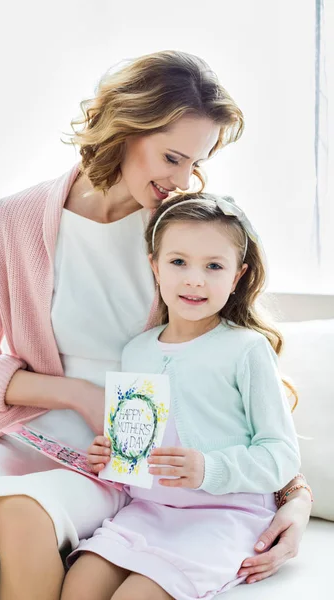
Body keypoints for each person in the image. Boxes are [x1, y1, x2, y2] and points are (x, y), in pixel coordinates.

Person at [0, 51, 311, 600]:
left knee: (26, 518)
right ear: (124, 130)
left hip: (119, 457)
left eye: (195, 163)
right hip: (26, 430)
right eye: (172, 157)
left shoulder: (180, 236)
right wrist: (79, 395)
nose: (182, 179)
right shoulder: (15, 220)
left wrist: (294, 496)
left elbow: (230, 361)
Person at [63, 193, 308, 600]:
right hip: (146, 513)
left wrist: (208, 468)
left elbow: (281, 455)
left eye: (214, 266)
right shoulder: (136, 350)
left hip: (223, 517)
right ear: (154, 267)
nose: (195, 278)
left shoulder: (246, 349)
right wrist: (111, 457)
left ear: (237, 276)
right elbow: (137, 444)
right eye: (178, 262)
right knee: (78, 586)